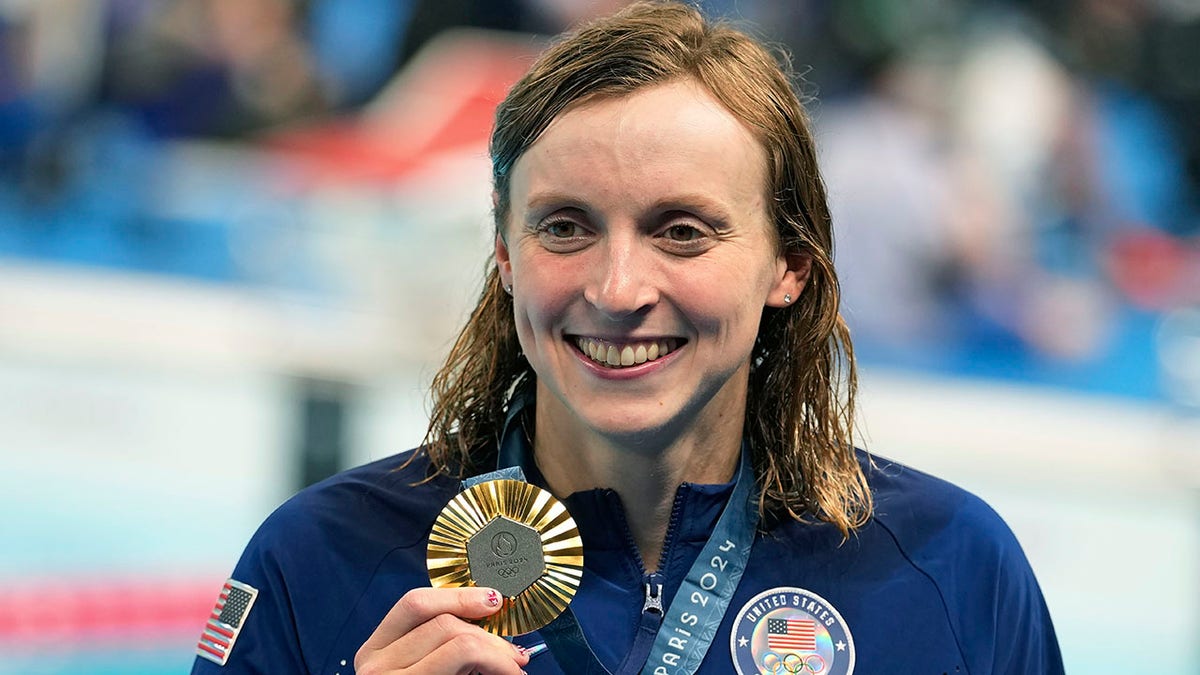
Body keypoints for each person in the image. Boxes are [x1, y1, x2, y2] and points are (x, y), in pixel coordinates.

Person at [191, 3, 1065, 673]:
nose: (616, 290)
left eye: (682, 231)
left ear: (788, 265)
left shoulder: (949, 570)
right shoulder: (319, 558)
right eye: (565, 227)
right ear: (503, 255)